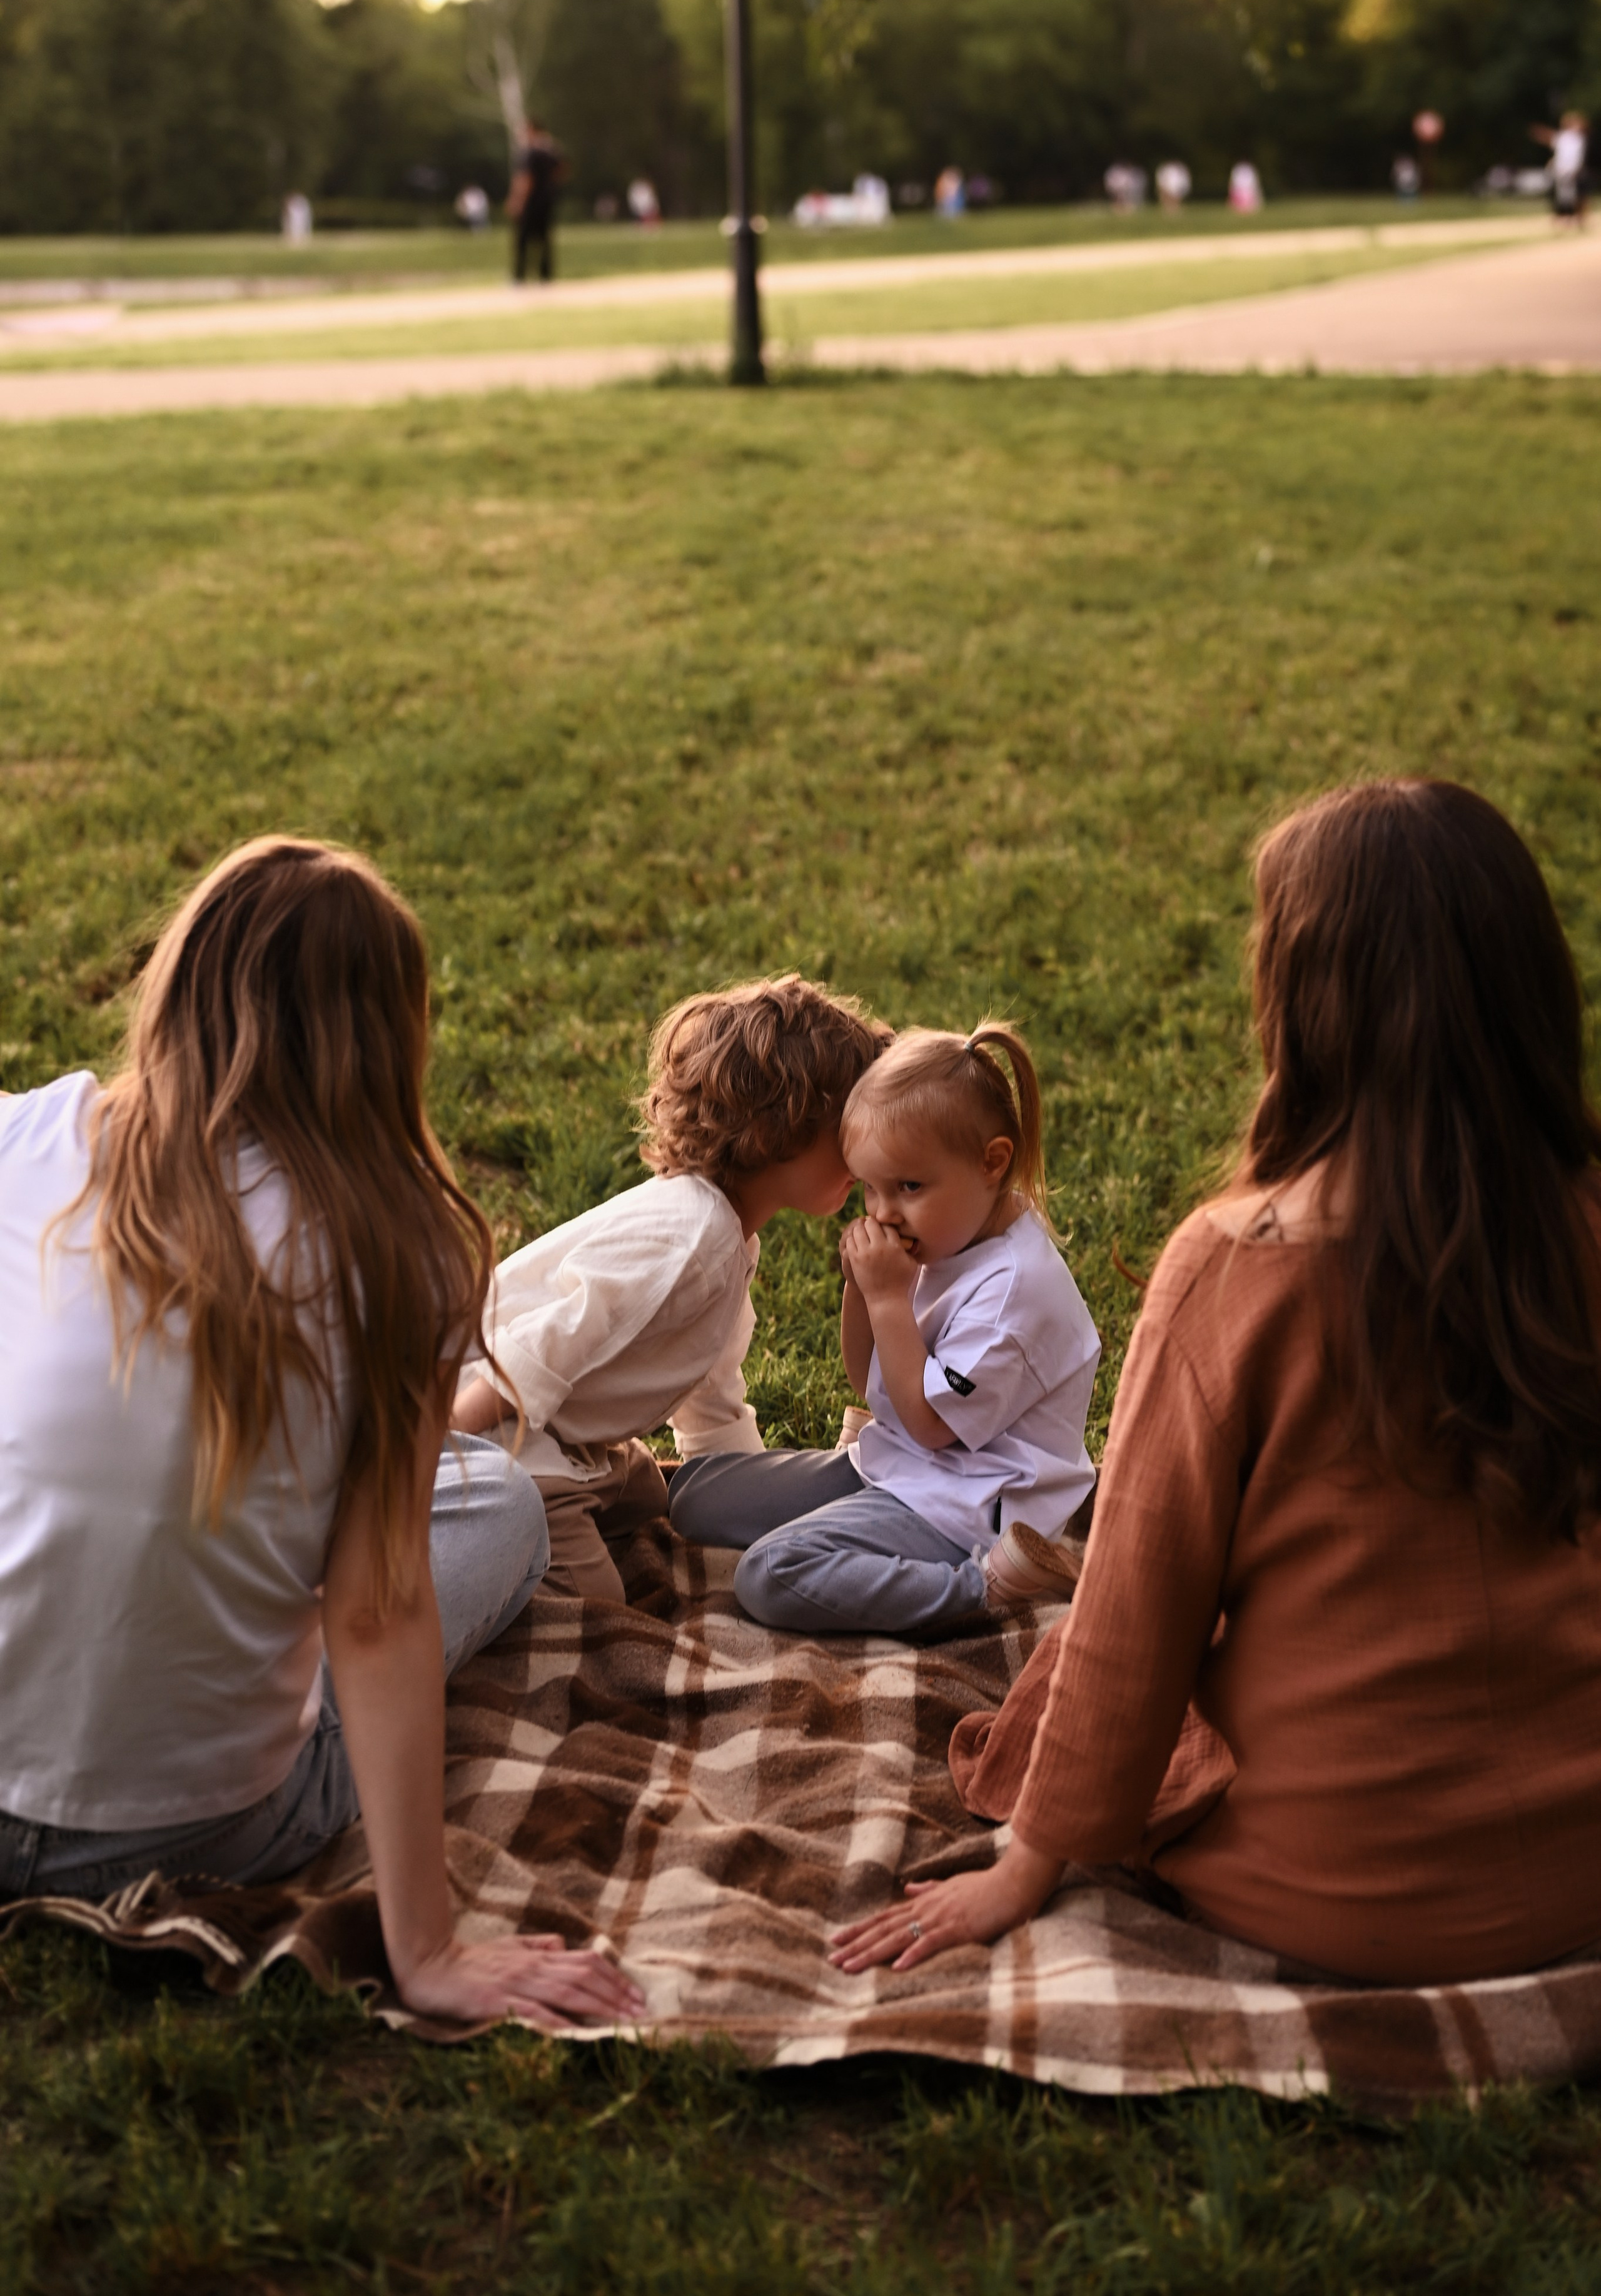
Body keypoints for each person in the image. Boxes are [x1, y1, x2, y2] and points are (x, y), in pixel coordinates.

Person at [833, 781, 1601, 1990]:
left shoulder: (1240, 1266)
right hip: (1577, 1869)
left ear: (1298, 999)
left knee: (1074, 1665)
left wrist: (1029, 1859)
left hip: (1331, 1889)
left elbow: (1136, 1612)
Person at [0, 839, 642, 2032]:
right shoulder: (394, 1253)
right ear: (387, 1034)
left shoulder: (26, 1142)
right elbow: (376, 1611)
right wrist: (428, 1946)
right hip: (192, 1828)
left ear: (178, 982)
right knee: (495, 1502)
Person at [450, 976, 892, 1604]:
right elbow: (543, 1346)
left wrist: (748, 1506)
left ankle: (560, 1502)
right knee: (595, 1604)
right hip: (494, 1422)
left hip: (573, 1437)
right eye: (847, 1128)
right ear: (782, 1131)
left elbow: (710, 1388)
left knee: (653, 1501)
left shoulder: (730, 1236)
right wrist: (440, 1450)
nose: (864, 1152)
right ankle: (470, 1534)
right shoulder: (692, 1234)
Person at [669, 1025, 1100, 1637]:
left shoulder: (1014, 1297)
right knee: (694, 1494)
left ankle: (985, 1586)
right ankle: (856, 1541)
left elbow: (928, 1424)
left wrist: (888, 1295)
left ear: (992, 1162)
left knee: (771, 1572)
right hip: (901, 1462)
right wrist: (861, 1289)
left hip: (966, 1506)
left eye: (908, 1187)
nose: (881, 1212)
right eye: (870, 1188)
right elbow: (868, 1378)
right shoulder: (950, 1229)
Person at [508, 119, 566, 283]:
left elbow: (525, 179)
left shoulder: (529, 153)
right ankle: (545, 276)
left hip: (530, 203)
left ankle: (519, 277)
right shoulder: (550, 151)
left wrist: (517, 201)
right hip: (546, 201)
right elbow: (562, 170)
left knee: (522, 240)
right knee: (544, 240)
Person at [1531, 111, 1587, 224]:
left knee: (1572, 195)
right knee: (1562, 195)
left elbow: (1576, 157)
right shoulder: (1564, 137)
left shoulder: (1577, 139)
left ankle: (1573, 217)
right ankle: (1563, 216)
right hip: (1562, 170)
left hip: (1571, 170)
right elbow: (1551, 140)